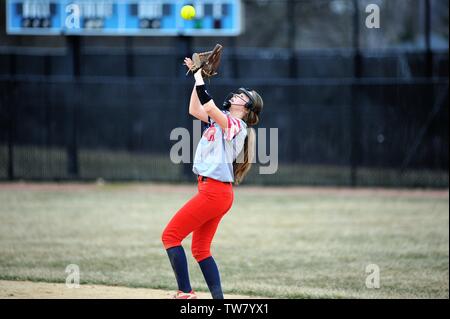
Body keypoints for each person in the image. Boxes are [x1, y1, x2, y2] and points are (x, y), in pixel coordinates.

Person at [161, 57, 263, 299]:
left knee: (170, 236)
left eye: (242, 96)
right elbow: (195, 109)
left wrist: (198, 76)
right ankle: (219, 301)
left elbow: (208, 107)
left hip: (214, 192)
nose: (237, 96)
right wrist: (201, 79)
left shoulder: (237, 125)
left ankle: (185, 292)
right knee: (200, 249)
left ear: (247, 108)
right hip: (215, 193)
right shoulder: (221, 121)